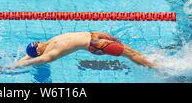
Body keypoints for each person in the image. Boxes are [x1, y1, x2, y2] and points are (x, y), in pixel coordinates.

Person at [10, 31, 156, 69]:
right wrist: (16, 66)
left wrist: (14, 62)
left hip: (94, 35)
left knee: (132, 52)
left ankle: (151, 62)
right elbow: (36, 60)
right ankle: (158, 67)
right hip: (95, 44)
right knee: (130, 54)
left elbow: (27, 57)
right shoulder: (49, 54)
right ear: (38, 51)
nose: (36, 42)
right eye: (35, 45)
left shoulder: (47, 43)